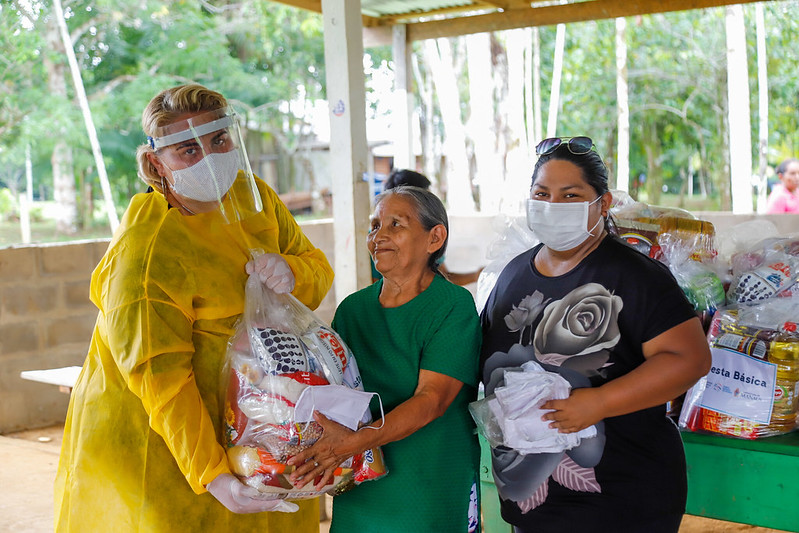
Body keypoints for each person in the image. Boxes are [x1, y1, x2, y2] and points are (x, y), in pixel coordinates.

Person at [54, 84, 334, 532]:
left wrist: (294, 271)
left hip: (257, 420)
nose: (210, 157)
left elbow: (316, 267)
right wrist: (213, 475)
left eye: (218, 140)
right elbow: (160, 378)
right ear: (156, 162)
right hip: (168, 439)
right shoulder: (148, 251)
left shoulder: (251, 196)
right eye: (187, 149)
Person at [480, 136, 711, 532]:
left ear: (602, 204)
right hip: (534, 504)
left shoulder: (636, 277)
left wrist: (599, 402)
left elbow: (690, 359)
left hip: (621, 502)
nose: (553, 205)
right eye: (542, 193)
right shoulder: (515, 273)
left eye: (570, 195)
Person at [286, 186, 482, 532]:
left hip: (429, 479)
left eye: (396, 225)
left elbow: (431, 400)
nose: (379, 236)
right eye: (375, 226)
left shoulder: (453, 306)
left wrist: (353, 442)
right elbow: (332, 390)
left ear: (434, 238)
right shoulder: (353, 309)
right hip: (362, 480)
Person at [372, 168, 484, 286]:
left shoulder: (427, 237)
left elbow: (442, 278)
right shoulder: (376, 245)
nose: (377, 237)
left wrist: (476, 275)